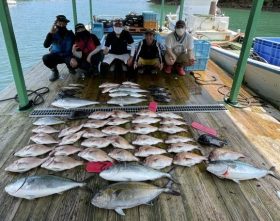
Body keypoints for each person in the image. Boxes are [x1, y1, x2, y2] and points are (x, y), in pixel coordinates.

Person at [42, 15, 75, 82]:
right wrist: (50, 33)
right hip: (56, 56)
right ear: (56, 24)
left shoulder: (70, 33)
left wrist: (74, 56)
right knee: (45, 58)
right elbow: (46, 45)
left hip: (67, 56)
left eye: (63, 23)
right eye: (59, 23)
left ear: (66, 24)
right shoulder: (52, 34)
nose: (61, 25)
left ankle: (70, 67)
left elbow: (76, 44)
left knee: (75, 63)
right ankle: (55, 71)